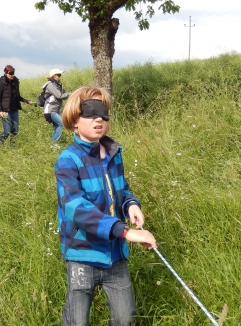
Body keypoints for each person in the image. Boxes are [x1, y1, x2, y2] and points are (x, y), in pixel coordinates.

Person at [55, 86, 157, 325]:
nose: (98, 118)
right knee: (77, 320)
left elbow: (121, 190)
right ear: (74, 121)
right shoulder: (68, 160)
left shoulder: (114, 153)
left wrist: (131, 205)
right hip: (82, 254)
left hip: (115, 256)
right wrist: (124, 231)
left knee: (125, 318)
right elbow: (76, 208)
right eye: (90, 112)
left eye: (103, 112)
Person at [0, 65, 33, 147]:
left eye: (13, 73)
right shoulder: (2, 82)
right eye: (10, 73)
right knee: (8, 130)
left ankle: (12, 147)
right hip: (5, 111)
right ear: (6, 73)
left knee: (15, 130)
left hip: (14, 110)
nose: (12, 75)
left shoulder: (15, 82)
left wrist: (27, 101)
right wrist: (0, 111)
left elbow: (18, 96)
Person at [43, 68, 70, 143]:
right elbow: (60, 95)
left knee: (56, 126)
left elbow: (64, 94)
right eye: (58, 75)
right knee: (62, 123)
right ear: (54, 76)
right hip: (50, 110)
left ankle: (53, 144)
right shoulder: (50, 84)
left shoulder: (57, 85)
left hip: (55, 110)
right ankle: (55, 143)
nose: (60, 76)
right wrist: (72, 94)